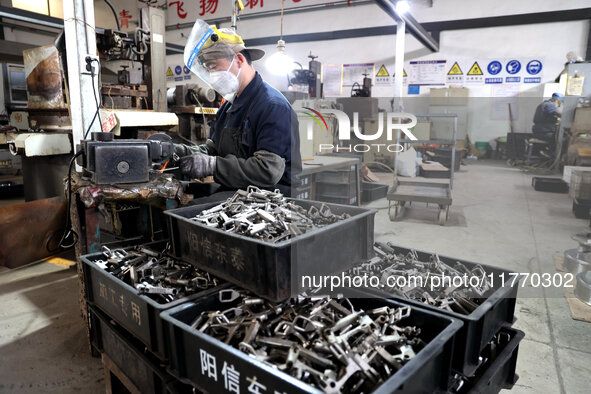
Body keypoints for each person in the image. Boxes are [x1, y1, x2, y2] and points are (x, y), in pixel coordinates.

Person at [173, 21, 301, 198]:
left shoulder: (272, 106)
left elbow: (268, 170)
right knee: (180, 195)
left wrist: (211, 166)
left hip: (272, 197)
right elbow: (214, 151)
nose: (211, 76)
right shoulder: (228, 106)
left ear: (239, 59)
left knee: (193, 212)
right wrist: (178, 151)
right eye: (208, 70)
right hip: (238, 189)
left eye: (213, 67)